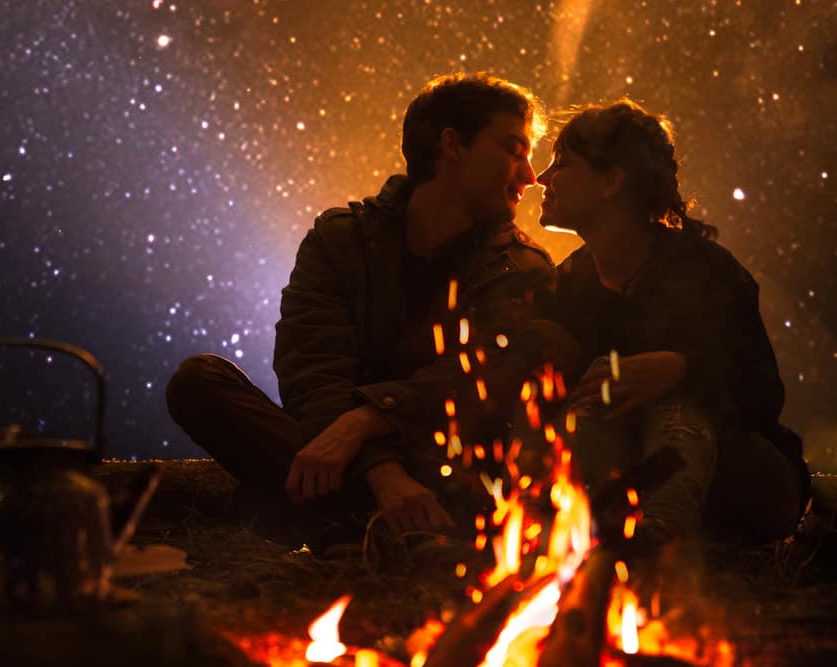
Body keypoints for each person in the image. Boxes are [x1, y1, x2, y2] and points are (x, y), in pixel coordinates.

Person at [166, 74, 572, 552]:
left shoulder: (522, 269)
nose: (529, 175)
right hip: (350, 459)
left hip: (444, 465)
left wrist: (367, 421)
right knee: (200, 382)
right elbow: (314, 373)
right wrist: (381, 473)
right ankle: (370, 521)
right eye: (513, 149)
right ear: (453, 145)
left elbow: (468, 386)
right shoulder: (340, 241)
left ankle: (320, 516)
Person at [536, 100, 811, 547]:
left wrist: (680, 369)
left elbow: (763, 395)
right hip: (626, 470)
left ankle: (661, 535)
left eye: (562, 164)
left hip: (741, 476)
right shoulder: (571, 282)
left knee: (676, 407)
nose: (542, 180)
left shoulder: (705, 271)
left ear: (611, 181)